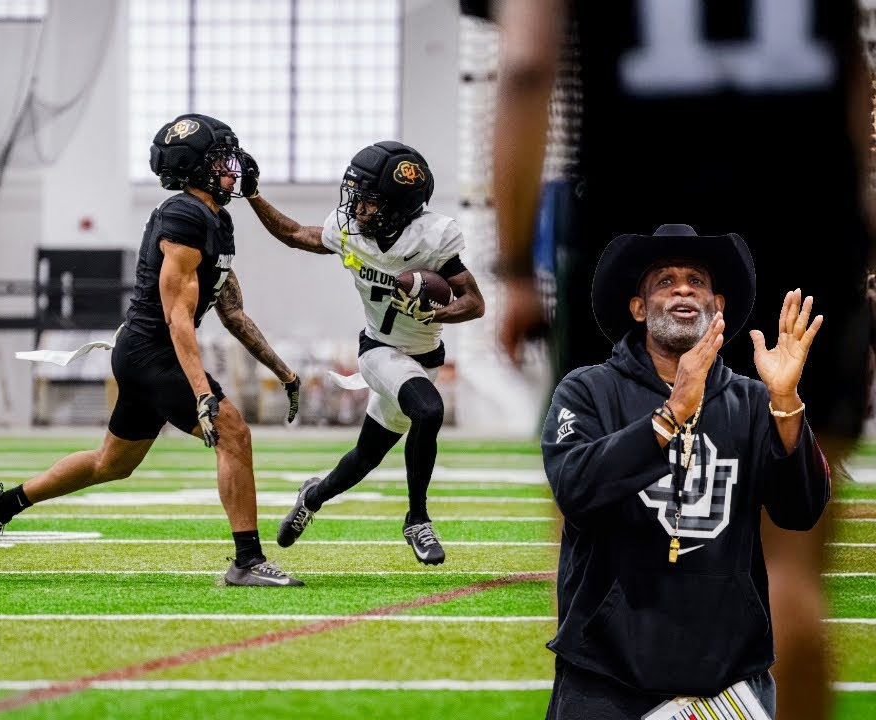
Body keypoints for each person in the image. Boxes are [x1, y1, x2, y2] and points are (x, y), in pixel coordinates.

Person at [492, 2, 872, 715]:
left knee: (603, 566)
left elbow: (527, 63)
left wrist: (514, 265)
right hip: (809, 222)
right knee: (789, 571)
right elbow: (854, 66)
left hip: (633, 228)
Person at [0, 113, 303, 587]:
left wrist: (284, 372)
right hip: (153, 353)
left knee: (112, 463)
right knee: (234, 434)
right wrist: (202, 394)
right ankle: (247, 561)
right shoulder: (185, 216)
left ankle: (1, 505)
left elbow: (232, 313)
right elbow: (177, 317)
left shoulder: (217, 219)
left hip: (144, 353)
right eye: (220, 159)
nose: (232, 167)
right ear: (194, 168)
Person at [541, 224, 829, 719]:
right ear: (639, 308)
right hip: (605, 674)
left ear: (717, 307)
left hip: (727, 682)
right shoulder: (587, 390)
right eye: (665, 281)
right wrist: (671, 415)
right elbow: (576, 490)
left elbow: (800, 511)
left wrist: (785, 400)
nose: (683, 290)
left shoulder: (752, 400)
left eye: (696, 281)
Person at [248, 141, 486, 564]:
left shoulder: (430, 237)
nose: (357, 208)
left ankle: (311, 497)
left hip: (424, 359)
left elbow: (475, 302)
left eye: (370, 201)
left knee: (365, 458)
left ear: (400, 206)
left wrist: (436, 312)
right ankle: (417, 519)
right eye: (356, 196)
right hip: (379, 350)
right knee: (429, 411)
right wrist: (253, 194)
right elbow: (294, 234)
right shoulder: (352, 233)